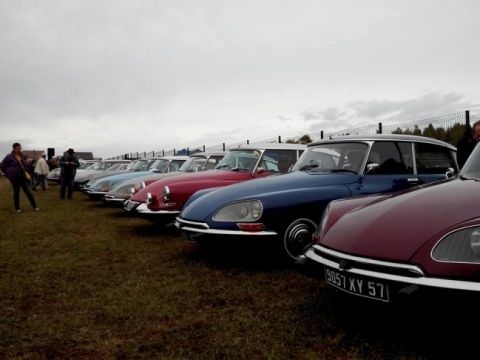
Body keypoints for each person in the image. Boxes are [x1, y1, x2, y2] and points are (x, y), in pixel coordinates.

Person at [0, 142, 39, 213]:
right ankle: (17, 208)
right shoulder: (9, 156)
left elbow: (26, 165)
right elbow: (2, 166)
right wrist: (8, 173)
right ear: (14, 149)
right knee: (16, 193)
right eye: (17, 148)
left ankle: (35, 206)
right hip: (15, 178)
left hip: (23, 177)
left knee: (28, 192)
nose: (19, 150)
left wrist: (28, 169)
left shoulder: (23, 156)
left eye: (20, 148)